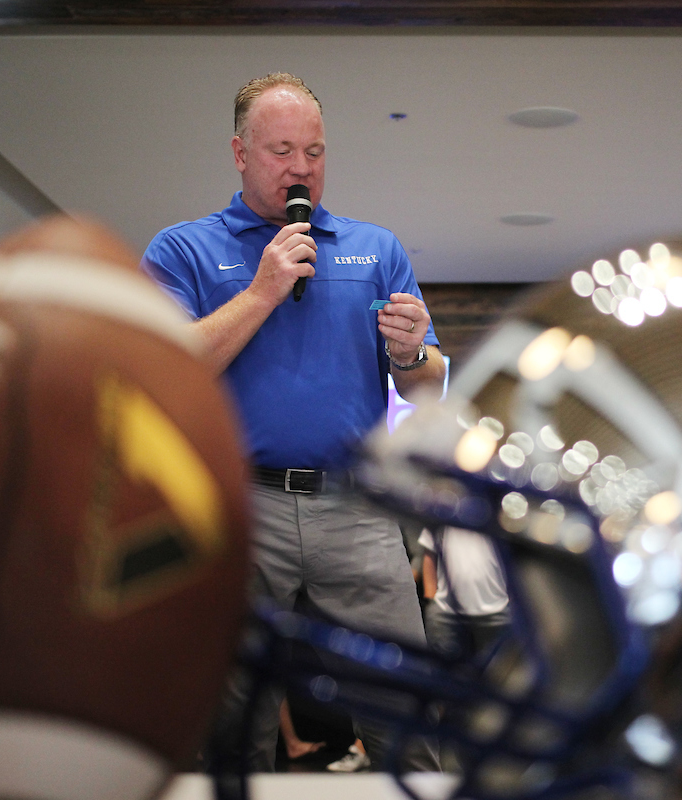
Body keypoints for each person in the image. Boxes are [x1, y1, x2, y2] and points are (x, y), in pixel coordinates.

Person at [142, 72, 445, 773]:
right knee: (225, 713)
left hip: (358, 505)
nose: (302, 168)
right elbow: (168, 370)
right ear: (240, 153)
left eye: (314, 150)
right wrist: (261, 290)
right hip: (237, 507)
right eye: (282, 150)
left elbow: (427, 383)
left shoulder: (377, 248)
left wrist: (410, 353)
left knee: (405, 705)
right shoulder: (181, 250)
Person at [419, 526, 511, 659]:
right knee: (445, 675)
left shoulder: (501, 514)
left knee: (500, 676)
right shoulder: (442, 511)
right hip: (447, 615)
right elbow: (429, 553)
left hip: (498, 613)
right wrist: (430, 598)